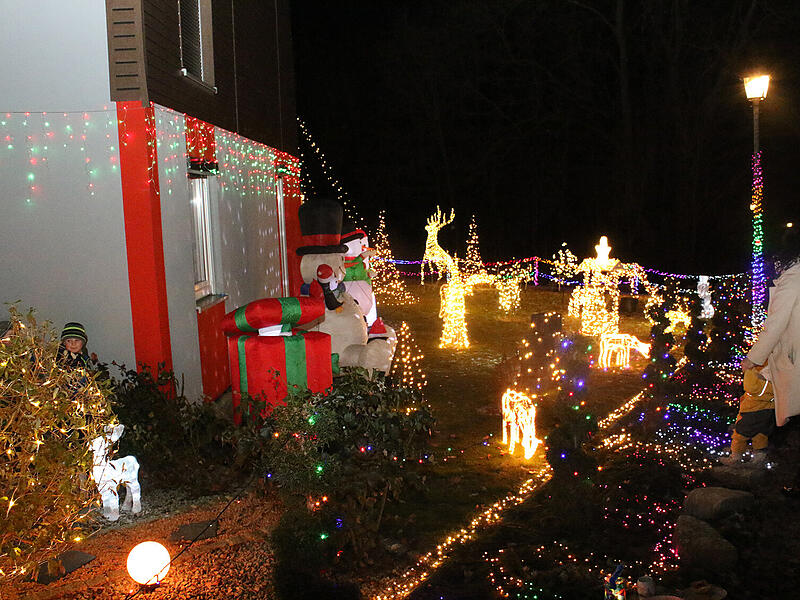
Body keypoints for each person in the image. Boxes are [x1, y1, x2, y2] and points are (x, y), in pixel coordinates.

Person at [742, 228, 800, 492]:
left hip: (794, 356)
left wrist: (754, 357)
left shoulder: (793, 277)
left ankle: (791, 480)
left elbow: (776, 323)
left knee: (793, 417)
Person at [721, 362, 774, 465]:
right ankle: (760, 457)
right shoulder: (775, 365)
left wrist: (748, 371)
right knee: (760, 434)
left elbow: (750, 387)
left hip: (752, 409)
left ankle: (735, 457)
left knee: (739, 433)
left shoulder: (756, 368)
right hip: (768, 408)